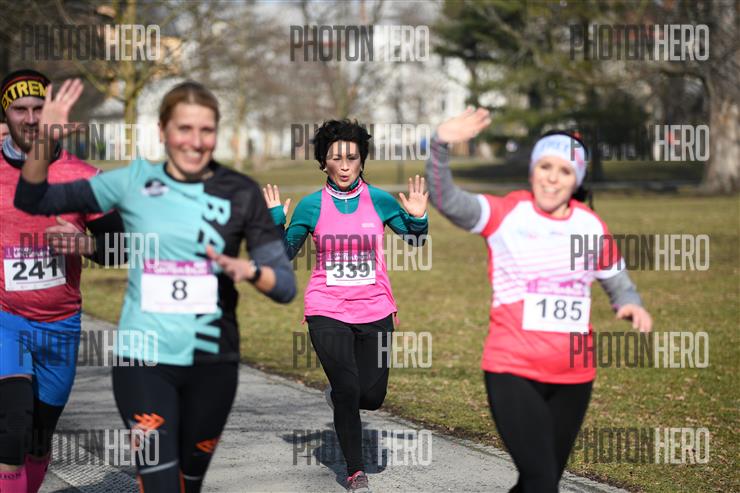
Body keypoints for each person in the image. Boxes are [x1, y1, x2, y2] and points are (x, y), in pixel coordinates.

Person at [14, 78, 296, 492]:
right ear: (163, 131)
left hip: (213, 363)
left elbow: (284, 285)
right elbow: (32, 199)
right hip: (143, 361)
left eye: (206, 130)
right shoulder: (134, 182)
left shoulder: (240, 192)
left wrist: (249, 270)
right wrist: (46, 139)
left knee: (188, 482)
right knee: (160, 482)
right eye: (185, 128)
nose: (195, 141)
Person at [425, 107, 653, 493]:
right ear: (532, 170)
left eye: (564, 171)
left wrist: (630, 303)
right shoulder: (506, 214)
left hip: (574, 376)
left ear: (577, 179)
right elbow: (446, 199)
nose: (552, 177)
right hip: (512, 370)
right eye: (545, 166)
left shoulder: (590, 225)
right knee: (542, 482)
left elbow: (619, 282)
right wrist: (440, 145)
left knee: (539, 481)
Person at [263, 119, 428, 492]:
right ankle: (355, 471)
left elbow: (416, 241)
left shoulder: (379, 200)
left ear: (361, 161)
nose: (343, 166)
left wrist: (418, 218)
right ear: (323, 162)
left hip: (375, 308)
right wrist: (275, 224)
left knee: (372, 396)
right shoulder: (311, 206)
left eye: (351, 158)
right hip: (327, 308)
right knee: (348, 390)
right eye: (335, 158)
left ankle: (338, 395)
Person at [0, 69, 125, 493]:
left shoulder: (84, 177)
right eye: (20, 109)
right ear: (6, 116)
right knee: (12, 425)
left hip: (60, 325)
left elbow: (122, 247)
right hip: (5, 317)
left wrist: (85, 245)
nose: (31, 118)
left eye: (40, 108)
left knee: (38, 439)